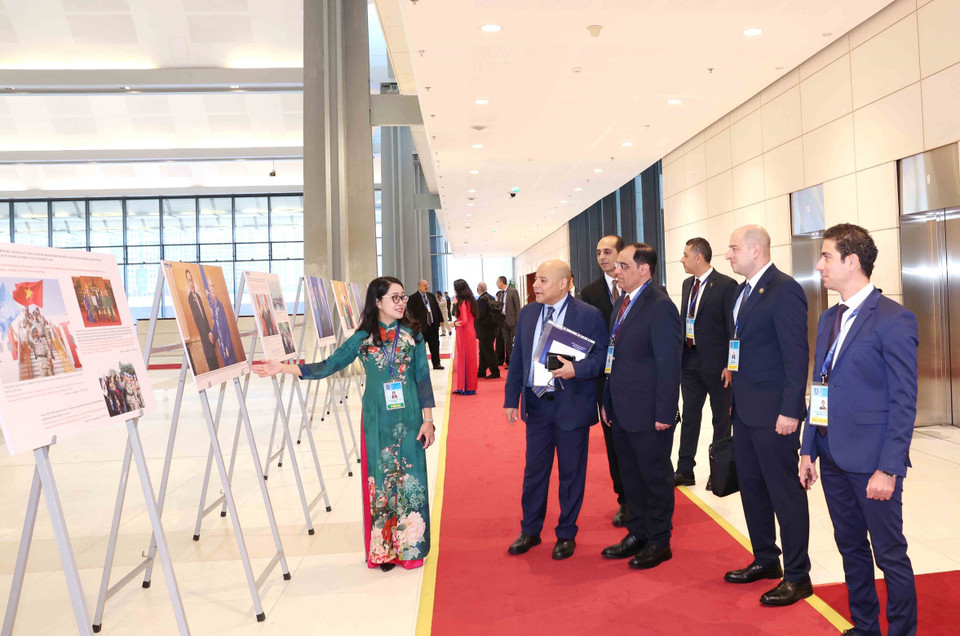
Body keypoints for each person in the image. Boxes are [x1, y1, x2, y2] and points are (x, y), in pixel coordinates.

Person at [254, 276, 436, 571]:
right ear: (377, 302)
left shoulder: (413, 336)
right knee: (382, 480)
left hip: (411, 415)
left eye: (403, 297)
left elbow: (423, 380)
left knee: (411, 480)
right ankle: (385, 548)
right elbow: (328, 366)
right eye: (395, 297)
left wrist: (428, 421)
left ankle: (411, 547)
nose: (402, 302)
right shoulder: (361, 339)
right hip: (377, 418)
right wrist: (284, 367)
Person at [800, 224, 918, 635]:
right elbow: (820, 386)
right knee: (850, 548)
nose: (819, 266)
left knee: (889, 554)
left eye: (827, 256)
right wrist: (807, 448)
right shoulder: (829, 318)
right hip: (832, 457)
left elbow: (904, 403)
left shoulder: (894, 319)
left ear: (853, 262)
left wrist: (889, 469)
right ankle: (865, 626)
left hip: (872, 463)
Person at [723, 225, 811, 606]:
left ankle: (797, 575)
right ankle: (765, 559)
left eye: (733, 248)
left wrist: (790, 410)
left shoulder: (784, 288)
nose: (728, 255)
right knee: (753, 488)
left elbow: (796, 355)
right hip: (744, 410)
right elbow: (742, 342)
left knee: (784, 494)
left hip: (775, 414)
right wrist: (731, 369)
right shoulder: (742, 292)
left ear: (756, 250)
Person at [503, 260, 607, 560]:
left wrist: (578, 368)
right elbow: (519, 356)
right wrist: (511, 399)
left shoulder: (588, 315)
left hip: (571, 406)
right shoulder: (529, 312)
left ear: (564, 284)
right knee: (534, 471)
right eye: (536, 280)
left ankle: (566, 533)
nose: (535, 285)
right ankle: (530, 530)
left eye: (543, 281)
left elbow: (602, 358)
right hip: (537, 405)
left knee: (571, 473)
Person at [600, 243, 682, 570]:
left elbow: (669, 364)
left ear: (644, 269)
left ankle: (660, 541)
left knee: (654, 478)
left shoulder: (660, 306)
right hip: (620, 408)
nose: (616, 271)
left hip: (649, 414)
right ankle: (638, 532)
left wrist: (665, 413)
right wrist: (606, 401)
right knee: (631, 477)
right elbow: (612, 356)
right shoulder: (622, 302)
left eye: (623, 266)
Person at [675, 237, 737, 488]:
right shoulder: (687, 284)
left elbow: (734, 329)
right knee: (690, 416)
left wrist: (731, 365)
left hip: (718, 365)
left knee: (721, 420)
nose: (682, 259)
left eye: (685, 255)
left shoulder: (726, 285)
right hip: (689, 361)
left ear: (698, 257)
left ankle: (719, 473)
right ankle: (684, 469)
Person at [577, 234, 629, 527]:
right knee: (613, 441)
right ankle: (624, 498)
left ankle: (645, 496)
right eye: (598, 252)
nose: (602, 257)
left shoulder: (636, 286)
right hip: (603, 379)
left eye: (607, 251)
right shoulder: (591, 292)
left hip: (635, 378)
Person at [185, 268, 219, 372]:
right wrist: (206, 334)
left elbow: (204, 317)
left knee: (214, 356)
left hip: (208, 333)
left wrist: (210, 333)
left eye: (191, 280)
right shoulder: (190, 298)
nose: (191, 283)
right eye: (188, 281)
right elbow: (198, 322)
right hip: (204, 335)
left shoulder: (198, 296)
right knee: (210, 357)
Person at [407, 280, 444, 370]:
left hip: (432, 325)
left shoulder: (431, 296)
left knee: (435, 346)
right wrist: (413, 325)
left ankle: (436, 363)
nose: (426, 287)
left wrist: (441, 319)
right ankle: (420, 365)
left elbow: (436, 308)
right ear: (419, 286)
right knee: (420, 348)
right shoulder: (413, 298)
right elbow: (411, 313)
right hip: (421, 327)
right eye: (424, 285)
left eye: (427, 285)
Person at [452, 279, 478, 395]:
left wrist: (455, 323)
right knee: (470, 359)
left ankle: (464, 386)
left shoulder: (462, 303)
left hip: (464, 332)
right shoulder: (470, 301)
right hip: (470, 331)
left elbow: (464, 320)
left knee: (463, 358)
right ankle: (470, 386)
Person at [206, 279, 238, 367]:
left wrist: (228, 346)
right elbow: (217, 324)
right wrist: (212, 333)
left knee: (232, 366)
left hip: (226, 343)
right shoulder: (213, 306)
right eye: (209, 286)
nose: (212, 288)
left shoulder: (219, 305)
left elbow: (225, 326)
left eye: (212, 286)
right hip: (221, 344)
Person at [475, 282, 500, 379]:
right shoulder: (491, 297)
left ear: (478, 290)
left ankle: (495, 371)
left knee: (488, 351)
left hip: (484, 329)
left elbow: (481, 314)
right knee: (483, 350)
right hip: (492, 328)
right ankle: (481, 371)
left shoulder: (481, 300)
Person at [497, 276, 521, 367]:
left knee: (514, 342)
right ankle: (511, 362)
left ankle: (516, 362)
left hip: (513, 321)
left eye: (498, 282)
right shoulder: (500, 294)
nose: (497, 284)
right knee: (507, 343)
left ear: (502, 282)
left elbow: (517, 308)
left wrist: (518, 322)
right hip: (503, 321)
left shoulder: (513, 291)